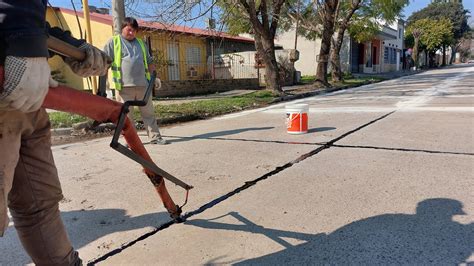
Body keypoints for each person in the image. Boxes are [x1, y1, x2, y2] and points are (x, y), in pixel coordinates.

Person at [0, 1, 110, 264]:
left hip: (27, 94)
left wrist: (74, 47)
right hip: (13, 75)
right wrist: (24, 38)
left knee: (39, 201)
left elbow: (33, 21)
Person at [103, 17, 168, 145]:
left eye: (134, 31)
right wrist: (105, 86)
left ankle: (155, 137)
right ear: (122, 29)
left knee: (149, 113)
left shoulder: (141, 44)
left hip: (143, 86)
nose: (132, 33)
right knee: (126, 117)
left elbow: (149, 62)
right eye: (129, 30)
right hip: (123, 87)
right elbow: (104, 62)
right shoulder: (113, 42)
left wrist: (155, 77)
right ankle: (130, 141)